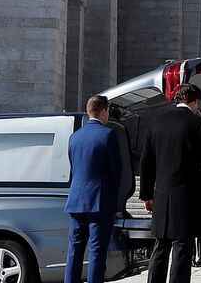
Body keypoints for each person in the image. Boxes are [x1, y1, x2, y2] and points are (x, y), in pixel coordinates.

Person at [141, 83, 201, 283]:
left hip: (161, 193)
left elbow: (146, 161)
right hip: (186, 195)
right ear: (195, 101)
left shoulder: (156, 121)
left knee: (160, 245)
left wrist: (146, 194)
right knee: (182, 246)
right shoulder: (198, 124)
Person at [67, 94, 134, 283]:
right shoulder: (108, 134)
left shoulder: (75, 137)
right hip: (99, 202)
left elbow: (74, 167)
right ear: (104, 111)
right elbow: (116, 170)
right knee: (97, 251)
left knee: (74, 251)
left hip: (76, 201)